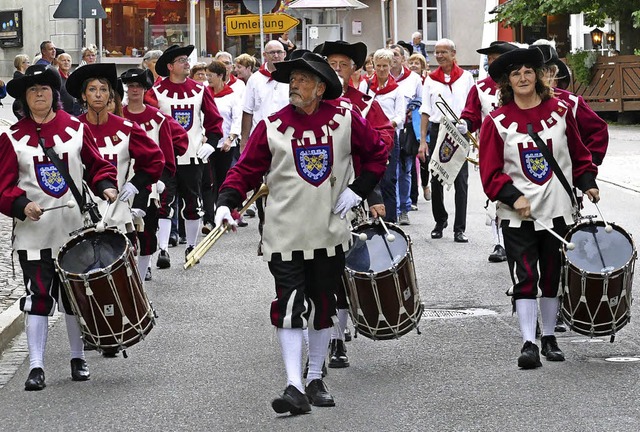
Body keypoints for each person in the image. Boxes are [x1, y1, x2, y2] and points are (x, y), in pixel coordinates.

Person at [214, 52, 388, 414]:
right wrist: (225, 203)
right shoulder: (271, 126)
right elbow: (245, 170)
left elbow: (376, 155)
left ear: (321, 87)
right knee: (290, 305)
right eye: (292, 79)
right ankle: (293, 384)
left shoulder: (345, 118)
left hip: (329, 231)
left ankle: (315, 377)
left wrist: (360, 189)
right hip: (284, 233)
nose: (294, 84)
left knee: (323, 304)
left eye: (304, 79)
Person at [478, 46, 599, 369]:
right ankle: (529, 342)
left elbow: (578, 152)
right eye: (515, 73)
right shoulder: (497, 122)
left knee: (553, 276)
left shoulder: (560, 112)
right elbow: (489, 171)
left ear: (537, 76)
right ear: (507, 81)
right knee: (526, 276)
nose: (522, 77)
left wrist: (588, 181)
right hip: (518, 214)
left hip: (557, 209)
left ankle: (549, 337)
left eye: (527, 72)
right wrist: (512, 196)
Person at [0, 64, 118, 390]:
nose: (39, 94)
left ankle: (78, 358)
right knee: (37, 296)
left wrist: (106, 184)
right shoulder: (11, 137)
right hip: (34, 234)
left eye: (45, 89)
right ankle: (36, 366)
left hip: (73, 232)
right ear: (25, 97)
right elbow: (3, 186)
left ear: (54, 94)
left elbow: (96, 165)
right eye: (32, 90)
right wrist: (21, 204)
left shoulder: (77, 129)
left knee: (75, 297)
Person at [316, 40, 396, 368]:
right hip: (314, 198)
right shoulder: (310, 100)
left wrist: (371, 196)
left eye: (343, 64)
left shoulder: (363, 104)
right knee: (317, 270)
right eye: (331, 63)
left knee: (345, 270)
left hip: (353, 197)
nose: (336, 69)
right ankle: (320, 330)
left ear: (354, 70)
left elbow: (381, 144)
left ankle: (337, 339)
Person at [66, 63, 164, 244]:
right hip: (78, 216)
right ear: (83, 95)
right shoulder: (70, 129)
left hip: (117, 213)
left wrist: (135, 184)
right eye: (92, 89)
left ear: (110, 95)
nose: (98, 94)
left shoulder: (127, 128)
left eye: (103, 90)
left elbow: (155, 160)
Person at [145, 44, 223, 265]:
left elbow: (214, 121)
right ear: (170, 66)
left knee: (193, 204)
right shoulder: (156, 92)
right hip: (165, 159)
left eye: (187, 60)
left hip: (193, 156)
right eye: (181, 61)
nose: (187, 63)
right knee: (164, 204)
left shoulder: (200, 90)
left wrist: (213, 143)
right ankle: (162, 250)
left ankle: (191, 246)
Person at [121, 68, 188, 281]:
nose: (134, 90)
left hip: (151, 181)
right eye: (130, 86)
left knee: (147, 229)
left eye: (138, 87)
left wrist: (161, 180)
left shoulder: (158, 119)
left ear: (145, 90)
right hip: (122, 181)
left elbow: (167, 154)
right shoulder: (118, 116)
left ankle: (144, 267)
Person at [460, 41, 518, 262]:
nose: (491, 62)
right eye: (490, 59)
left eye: (496, 59)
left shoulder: (520, 84)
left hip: (519, 148)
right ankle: (500, 243)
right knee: (496, 196)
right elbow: (471, 113)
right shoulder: (481, 88)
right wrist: (465, 123)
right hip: (492, 150)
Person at [418, 38, 474, 242]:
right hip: (437, 129)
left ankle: (460, 228)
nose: (439, 56)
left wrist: (468, 124)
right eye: (436, 52)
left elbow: (471, 106)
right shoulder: (430, 79)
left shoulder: (467, 77)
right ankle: (440, 220)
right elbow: (425, 109)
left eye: (443, 52)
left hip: (459, 129)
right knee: (437, 177)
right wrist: (422, 140)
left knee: (461, 181)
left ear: (453, 53)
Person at [360, 49, 405, 224]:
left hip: (389, 137)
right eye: (378, 66)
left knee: (389, 179)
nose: (381, 69)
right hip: (370, 136)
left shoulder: (397, 89)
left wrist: (386, 126)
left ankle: (391, 219)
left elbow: (400, 116)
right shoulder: (366, 86)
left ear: (390, 66)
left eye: (384, 66)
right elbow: (361, 109)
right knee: (371, 176)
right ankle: (373, 218)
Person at [204, 60, 243, 233]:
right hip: (208, 144)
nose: (207, 79)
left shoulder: (232, 95)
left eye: (210, 76)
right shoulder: (204, 93)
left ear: (220, 76)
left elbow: (237, 119)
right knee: (208, 182)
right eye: (206, 75)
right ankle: (210, 218)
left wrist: (230, 138)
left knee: (223, 181)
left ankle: (226, 212)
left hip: (226, 144)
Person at [389, 44, 423, 225]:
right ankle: (392, 209)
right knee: (390, 171)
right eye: (389, 54)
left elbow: (422, 101)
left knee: (405, 169)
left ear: (402, 58)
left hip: (407, 130)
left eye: (395, 55)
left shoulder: (414, 79)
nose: (392, 58)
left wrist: (413, 108)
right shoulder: (382, 78)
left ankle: (404, 208)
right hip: (388, 131)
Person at [240, 40, 290, 151]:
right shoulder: (255, 79)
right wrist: (244, 141)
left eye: (279, 52)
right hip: (261, 136)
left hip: (287, 135)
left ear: (284, 54)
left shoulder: (292, 77)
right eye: (272, 53)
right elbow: (248, 111)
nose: (276, 56)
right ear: (264, 55)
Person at [11, 54, 30, 119]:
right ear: (21, 64)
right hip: (21, 104)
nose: (29, 64)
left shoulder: (21, 75)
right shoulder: (19, 76)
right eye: (27, 62)